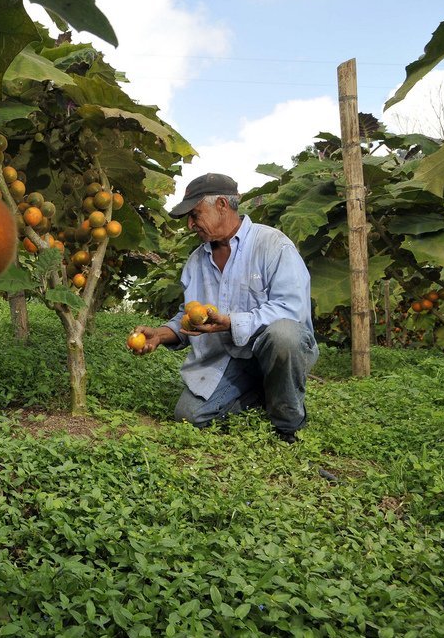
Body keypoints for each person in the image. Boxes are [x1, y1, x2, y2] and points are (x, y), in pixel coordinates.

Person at [131, 173, 319, 443]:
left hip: (275, 352)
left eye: (195, 214)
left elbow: (292, 309)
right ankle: (261, 392)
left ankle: (288, 425)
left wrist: (232, 322)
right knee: (189, 416)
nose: (190, 224)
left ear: (222, 205)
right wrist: (160, 334)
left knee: (284, 335)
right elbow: (189, 316)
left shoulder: (273, 245)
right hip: (229, 359)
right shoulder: (196, 262)